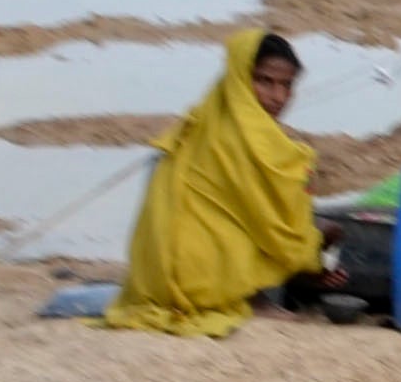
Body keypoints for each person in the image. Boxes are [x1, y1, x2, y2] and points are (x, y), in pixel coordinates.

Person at [103, 27, 320, 338]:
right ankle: (248, 298)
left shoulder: (204, 118)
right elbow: (276, 230)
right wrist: (315, 254)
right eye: (264, 81)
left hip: (155, 278)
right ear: (239, 77)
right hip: (196, 279)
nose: (278, 97)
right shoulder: (244, 141)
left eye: (287, 85)